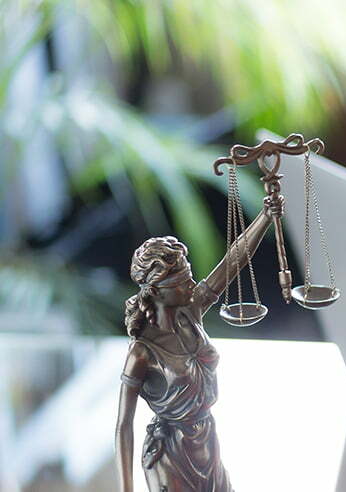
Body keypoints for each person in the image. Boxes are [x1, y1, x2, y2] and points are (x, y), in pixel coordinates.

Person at [114, 197, 282, 492]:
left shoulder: (190, 311)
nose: (192, 286)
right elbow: (123, 426)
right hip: (169, 453)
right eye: (182, 282)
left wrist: (266, 216)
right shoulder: (141, 352)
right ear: (156, 291)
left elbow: (234, 259)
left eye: (189, 277)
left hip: (206, 442)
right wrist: (126, 489)